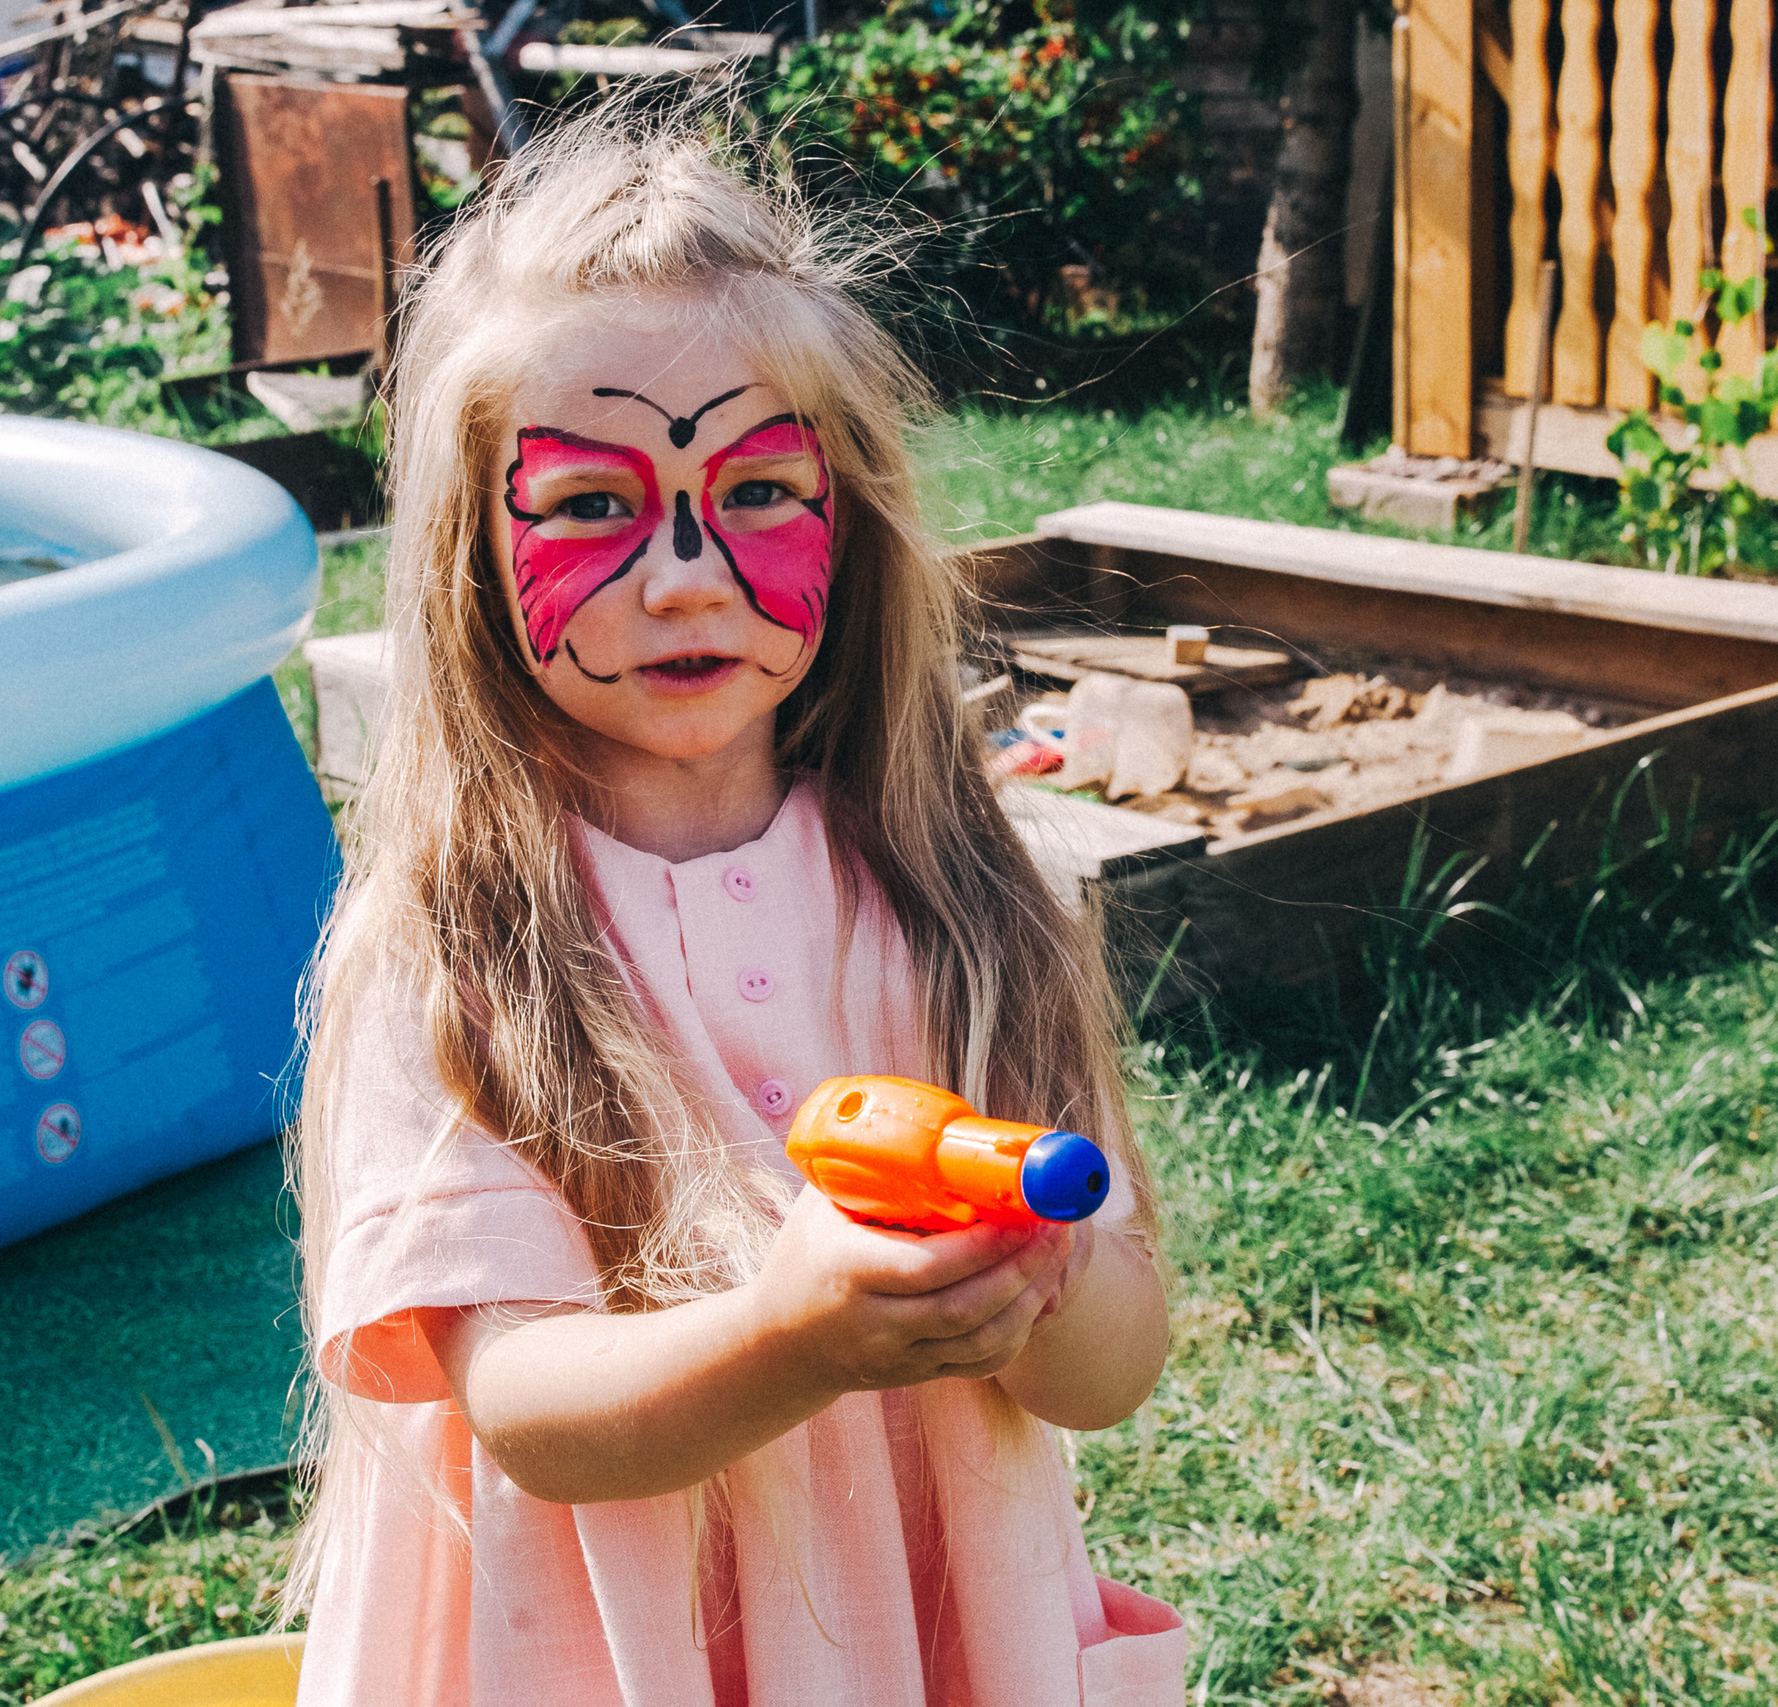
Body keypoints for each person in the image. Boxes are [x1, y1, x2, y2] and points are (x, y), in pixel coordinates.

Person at [284, 103, 1184, 1705]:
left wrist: (1045, 1279)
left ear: (853, 513)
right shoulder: (457, 952)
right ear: (472, 563)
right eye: (586, 507)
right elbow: (533, 1413)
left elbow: (1112, 1372)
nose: (688, 570)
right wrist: (792, 1334)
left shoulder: (969, 901)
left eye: (762, 491)